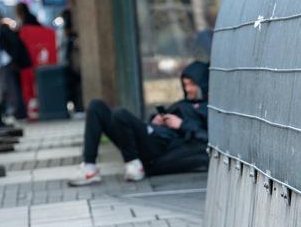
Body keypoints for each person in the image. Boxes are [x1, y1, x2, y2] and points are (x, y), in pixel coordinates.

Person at [69, 61, 210, 186]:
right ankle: (89, 167)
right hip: (150, 134)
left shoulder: (207, 109)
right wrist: (156, 120)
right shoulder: (183, 103)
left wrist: (181, 124)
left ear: (202, 84)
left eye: (192, 84)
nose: (187, 89)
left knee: (120, 114)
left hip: (162, 146)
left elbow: (207, 138)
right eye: (185, 84)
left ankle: (133, 164)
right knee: (96, 105)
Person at [0, 8, 30, 121]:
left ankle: (16, 112)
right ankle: (15, 111)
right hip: (4, 63)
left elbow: (14, 45)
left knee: (9, 87)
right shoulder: (0, 31)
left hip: (6, 63)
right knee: (9, 87)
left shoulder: (3, 30)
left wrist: (13, 59)